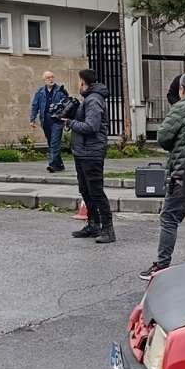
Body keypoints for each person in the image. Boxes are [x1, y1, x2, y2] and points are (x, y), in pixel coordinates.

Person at [139, 72, 185, 280]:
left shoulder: (180, 108)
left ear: (182, 89)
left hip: (184, 174)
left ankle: (162, 264)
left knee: (169, 218)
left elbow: (163, 137)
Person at [66, 69, 115, 244]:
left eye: (79, 82)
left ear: (84, 83)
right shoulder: (89, 99)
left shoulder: (93, 100)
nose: (78, 85)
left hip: (92, 152)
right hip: (82, 151)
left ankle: (108, 229)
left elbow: (91, 126)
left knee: (96, 191)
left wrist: (70, 123)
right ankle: (93, 224)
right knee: (85, 190)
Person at [28, 71, 69, 172]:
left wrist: (65, 116)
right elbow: (35, 106)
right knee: (51, 143)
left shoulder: (60, 90)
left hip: (57, 120)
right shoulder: (40, 92)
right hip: (45, 120)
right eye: (48, 78)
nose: (50, 79)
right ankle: (59, 165)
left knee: (55, 142)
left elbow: (67, 104)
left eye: (52, 77)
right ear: (44, 80)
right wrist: (32, 120)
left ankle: (52, 165)